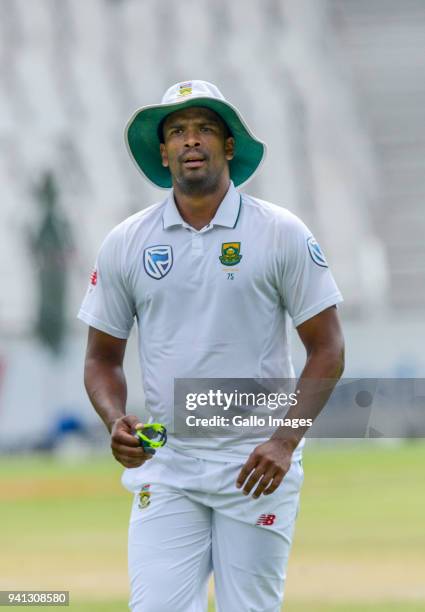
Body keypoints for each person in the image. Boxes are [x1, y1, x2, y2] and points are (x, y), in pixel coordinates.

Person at [78, 80, 344, 612]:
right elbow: (101, 359)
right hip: (169, 461)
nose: (190, 140)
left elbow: (328, 348)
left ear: (228, 147)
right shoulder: (127, 241)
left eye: (205, 129)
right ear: (163, 151)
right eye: (177, 131)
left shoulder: (280, 232)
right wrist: (114, 419)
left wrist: (284, 443)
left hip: (256, 464)